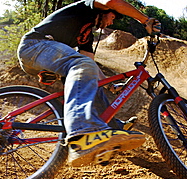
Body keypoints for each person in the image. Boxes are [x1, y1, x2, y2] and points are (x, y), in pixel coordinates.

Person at [17, 0, 161, 167]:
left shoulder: (87, 36)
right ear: (105, 11)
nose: (111, 22)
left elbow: (89, 63)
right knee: (81, 65)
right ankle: (83, 131)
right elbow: (113, 1)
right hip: (34, 45)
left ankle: (110, 128)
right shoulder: (87, 7)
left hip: (46, 54)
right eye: (112, 17)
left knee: (89, 76)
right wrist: (145, 20)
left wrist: (108, 85)